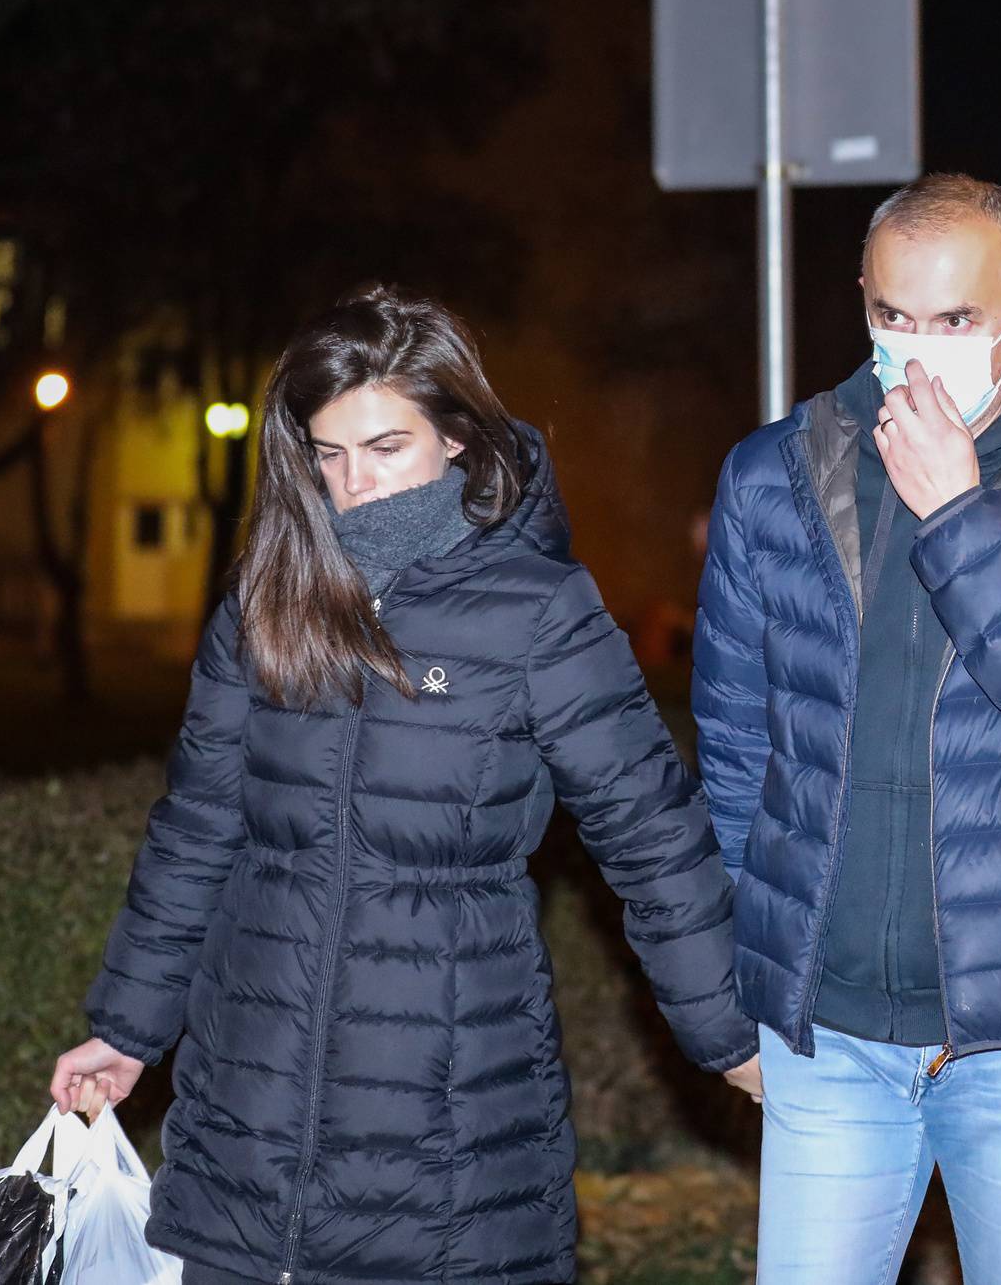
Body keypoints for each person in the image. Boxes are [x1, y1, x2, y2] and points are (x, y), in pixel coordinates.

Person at [51, 286, 760, 1285]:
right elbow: (199, 828)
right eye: (329, 455)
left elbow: (648, 828)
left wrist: (728, 1030)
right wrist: (126, 1026)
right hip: (246, 1123)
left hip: (447, 1135)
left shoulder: (536, 610)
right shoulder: (266, 599)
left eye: (386, 446)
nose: (356, 485)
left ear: (459, 436)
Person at [692, 172, 1001, 1284]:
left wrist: (960, 515)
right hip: (829, 1037)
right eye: (891, 317)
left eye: (957, 321)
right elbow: (733, 748)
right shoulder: (776, 474)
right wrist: (741, 988)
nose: (917, 352)